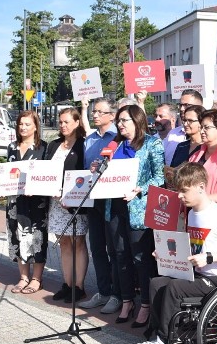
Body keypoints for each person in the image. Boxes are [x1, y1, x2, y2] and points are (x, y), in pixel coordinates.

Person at [132, 163, 217, 344]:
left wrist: (210, 257)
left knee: (175, 287)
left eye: (184, 191)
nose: (179, 196)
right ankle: (159, 335)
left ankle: (164, 342)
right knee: (157, 282)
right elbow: (191, 249)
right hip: (198, 274)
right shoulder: (192, 214)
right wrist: (166, 255)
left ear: (201, 187)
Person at [105, 104, 167, 326]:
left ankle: (146, 305)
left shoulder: (151, 143)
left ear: (137, 121)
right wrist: (98, 169)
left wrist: (140, 188)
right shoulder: (114, 145)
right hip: (115, 207)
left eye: (125, 120)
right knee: (120, 256)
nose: (120, 124)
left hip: (138, 208)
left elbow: (160, 177)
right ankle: (127, 300)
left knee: (140, 259)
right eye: (119, 121)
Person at [78, 98, 121, 314]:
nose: (95, 115)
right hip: (93, 200)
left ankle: (117, 294)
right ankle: (103, 291)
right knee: (96, 248)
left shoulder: (119, 138)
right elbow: (86, 170)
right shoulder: (90, 139)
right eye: (93, 112)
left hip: (112, 202)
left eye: (99, 112)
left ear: (112, 115)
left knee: (114, 249)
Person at [45, 107, 88, 303]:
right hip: (55, 203)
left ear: (77, 122)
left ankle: (79, 287)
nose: (62, 125)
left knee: (77, 242)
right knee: (63, 243)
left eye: (67, 122)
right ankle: (67, 284)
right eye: (60, 122)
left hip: (74, 202)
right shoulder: (53, 145)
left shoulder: (83, 145)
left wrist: (69, 197)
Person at [7, 111, 49, 295]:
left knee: (36, 239)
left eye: (27, 124)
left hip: (37, 201)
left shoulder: (44, 148)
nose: (23, 128)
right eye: (20, 124)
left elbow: (48, 175)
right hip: (15, 201)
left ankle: (37, 279)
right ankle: (23, 277)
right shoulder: (12, 147)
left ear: (35, 126)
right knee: (17, 237)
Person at [169, 104, 205, 168]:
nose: (185, 124)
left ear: (201, 122)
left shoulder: (207, 147)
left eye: (190, 121)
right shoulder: (181, 146)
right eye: (185, 120)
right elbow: (172, 169)